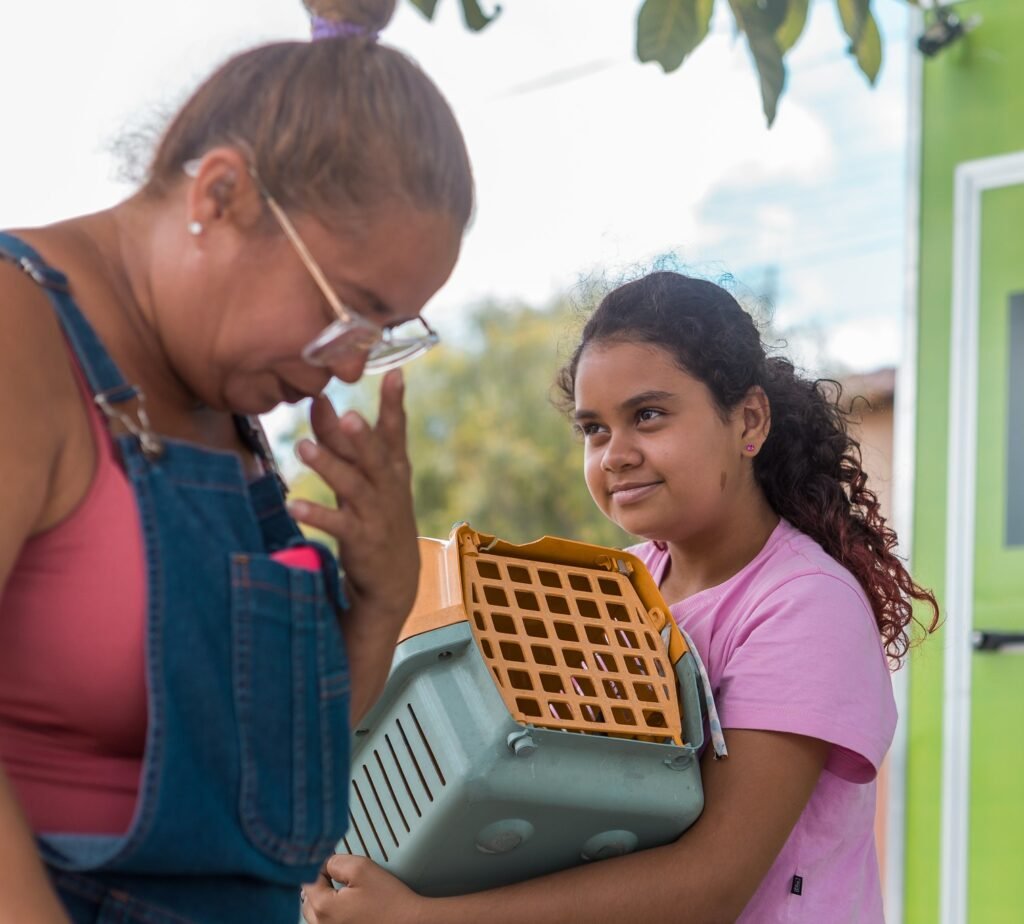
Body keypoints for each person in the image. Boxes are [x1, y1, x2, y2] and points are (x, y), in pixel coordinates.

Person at [0, 0, 473, 921]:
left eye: (381, 335)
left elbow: (263, 775)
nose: (345, 365)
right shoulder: (19, 334)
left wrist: (378, 598)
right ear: (219, 196)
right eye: (350, 309)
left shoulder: (225, 403)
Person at [300, 271, 940, 924]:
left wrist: (420, 918)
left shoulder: (804, 606)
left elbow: (712, 884)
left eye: (648, 416)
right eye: (594, 430)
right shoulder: (614, 588)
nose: (614, 456)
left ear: (748, 419)